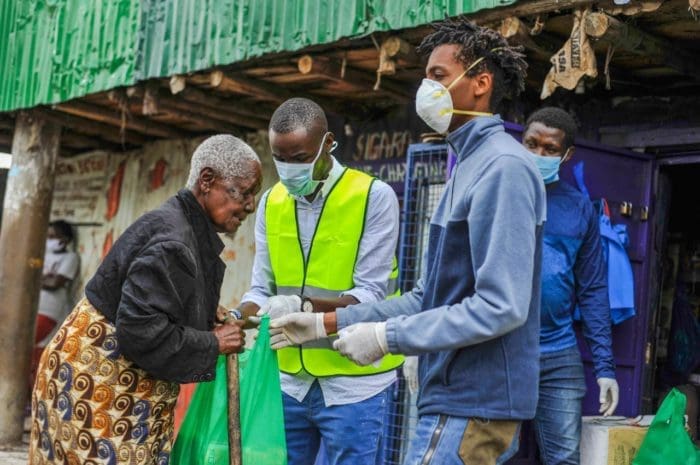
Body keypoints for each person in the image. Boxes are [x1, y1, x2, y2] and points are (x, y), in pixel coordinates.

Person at [269, 21, 546, 465]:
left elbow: (502, 305)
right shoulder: (469, 165)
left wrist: (388, 337)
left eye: (438, 75)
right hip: (453, 396)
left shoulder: (504, 168)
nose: (426, 86)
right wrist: (326, 325)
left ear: (480, 83)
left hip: (474, 401)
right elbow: (427, 297)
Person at [29, 135, 261, 465]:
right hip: (99, 382)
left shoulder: (181, 225)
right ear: (207, 181)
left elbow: (159, 298)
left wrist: (201, 313)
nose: (251, 205)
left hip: (108, 376)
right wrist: (213, 343)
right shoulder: (174, 240)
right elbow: (140, 329)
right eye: (245, 191)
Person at [238, 97, 403, 465]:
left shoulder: (373, 197)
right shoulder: (270, 202)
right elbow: (260, 288)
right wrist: (237, 315)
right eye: (280, 159)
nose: (288, 170)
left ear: (328, 144)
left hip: (354, 383)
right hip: (287, 382)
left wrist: (302, 307)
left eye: (300, 158)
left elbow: (371, 294)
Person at [522, 107, 619, 465]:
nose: (538, 155)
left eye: (549, 149)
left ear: (567, 155)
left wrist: (606, 368)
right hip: (499, 348)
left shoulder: (580, 209)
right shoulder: (500, 192)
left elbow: (592, 290)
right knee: (485, 454)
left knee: (564, 459)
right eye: (531, 145)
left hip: (557, 353)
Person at [30, 220, 80, 385]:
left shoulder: (71, 258)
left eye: (54, 237)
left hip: (49, 311)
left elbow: (55, 283)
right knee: (33, 352)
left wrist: (34, 278)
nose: (49, 240)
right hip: (32, 308)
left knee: (30, 345)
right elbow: (27, 271)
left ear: (65, 239)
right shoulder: (42, 255)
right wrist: (42, 278)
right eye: (48, 236)